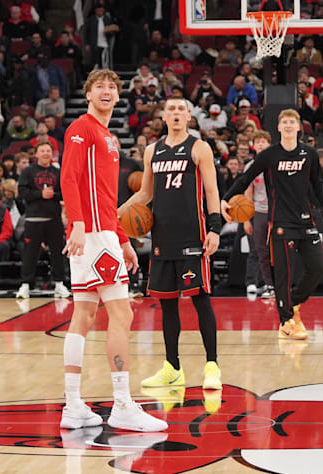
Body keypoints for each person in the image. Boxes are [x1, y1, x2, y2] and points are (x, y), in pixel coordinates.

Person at [59, 69, 167, 432]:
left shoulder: (108, 137)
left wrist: (122, 239)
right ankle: (122, 404)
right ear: (88, 94)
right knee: (122, 315)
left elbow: (107, 198)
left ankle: (73, 406)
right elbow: (69, 177)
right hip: (91, 233)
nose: (106, 90)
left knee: (84, 316)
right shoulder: (82, 128)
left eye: (112, 87)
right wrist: (78, 223)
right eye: (99, 86)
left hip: (102, 233)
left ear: (118, 96)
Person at [119, 97, 223, 392]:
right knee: (167, 304)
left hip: (193, 235)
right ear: (163, 116)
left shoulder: (199, 148)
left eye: (181, 109)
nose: (176, 113)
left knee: (201, 300)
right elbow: (145, 194)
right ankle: (172, 367)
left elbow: (211, 190)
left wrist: (215, 229)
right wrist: (116, 214)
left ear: (189, 116)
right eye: (171, 109)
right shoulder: (152, 151)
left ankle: (212, 366)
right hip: (162, 237)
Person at [222, 109, 323, 341]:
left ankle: (292, 302)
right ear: (278, 127)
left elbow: (317, 184)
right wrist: (226, 198)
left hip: (306, 219)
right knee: (283, 275)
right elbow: (245, 178)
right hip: (280, 222)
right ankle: (286, 322)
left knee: (318, 267)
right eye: (284, 122)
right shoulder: (269, 155)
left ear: (298, 127)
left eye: (292, 122)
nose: (288, 125)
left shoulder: (309, 154)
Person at [15, 141, 69, 299]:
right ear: (36, 154)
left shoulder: (58, 172)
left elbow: (65, 192)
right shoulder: (28, 171)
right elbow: (22, 192)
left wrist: (54, 195)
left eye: (48, 150)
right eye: (43, 150)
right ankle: (25, 285)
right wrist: (40, 194)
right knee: (30, 253)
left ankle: (59, 284)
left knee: (58, 252)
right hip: (34, 218)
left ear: (52, 154)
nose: (46, 153)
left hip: (54, 218)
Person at [243, 131, 273, 298]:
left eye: (263, 141)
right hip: (258, 211)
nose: (260, 144)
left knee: (275, 250)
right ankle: (254, 282)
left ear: (269, 144)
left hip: (276, 211)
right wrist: (246, 219)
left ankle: (271, 284)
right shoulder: (250, 166)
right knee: (257, 249)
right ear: (253, 146)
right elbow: (247, 193)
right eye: (257, 142)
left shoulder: (275, 162)